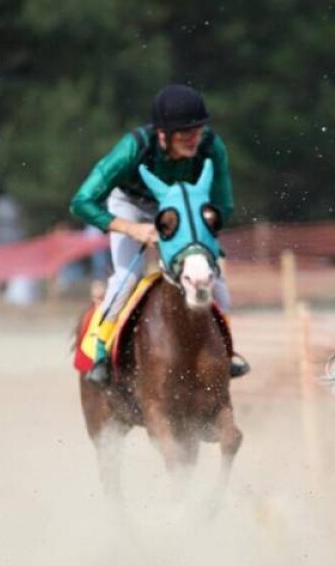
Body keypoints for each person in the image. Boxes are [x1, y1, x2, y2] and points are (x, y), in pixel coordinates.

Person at [70, 83, 248, 386]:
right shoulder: (133, 147)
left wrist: (211, 219)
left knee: (214, 278)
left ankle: (226, 352)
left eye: (199, 129)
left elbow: (224, 205)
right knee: (128, 276)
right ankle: (101, 354)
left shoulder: (211, 147)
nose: (195, 139)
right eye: (185, 133)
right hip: (131, 206)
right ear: (163, 134)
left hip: (185, 207)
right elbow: (81, 202)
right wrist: (131, 228)